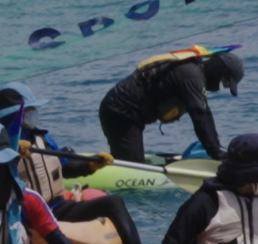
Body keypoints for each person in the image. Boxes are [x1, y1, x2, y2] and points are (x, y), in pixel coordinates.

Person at [0, 84, 144, 244]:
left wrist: (91, 166)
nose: (33, 113)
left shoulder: (42, 138)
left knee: (113, 202)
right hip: (29, 216)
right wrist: (11, 152)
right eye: (28, 110)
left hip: (59, 208)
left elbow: (63, 167)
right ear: (14, 115)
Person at [97, 47, 242, 163]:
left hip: (127, 113)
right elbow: (199, 116)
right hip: (120, 112)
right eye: (224, 83)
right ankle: (98, 167)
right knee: (132, 167)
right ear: (217, 72)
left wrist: (217, 148)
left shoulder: (194, 75)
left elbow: (205, 112)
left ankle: (120, 159)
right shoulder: (190, 75)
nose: (219, 88)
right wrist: (215, 152)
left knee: (131, 158)